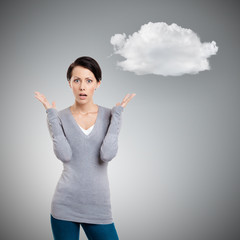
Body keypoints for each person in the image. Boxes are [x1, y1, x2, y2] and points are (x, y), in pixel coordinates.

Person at [34, 56, 136, 240]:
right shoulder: (59, 117)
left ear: (97, 83)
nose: (82, 87)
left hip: (99, 208)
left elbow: (107, 154)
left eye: (89, 80)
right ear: (70, 83)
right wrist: (51, 115)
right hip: (64, 206)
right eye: (77, 80)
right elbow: (64, 155)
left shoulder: (110, 115)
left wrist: (118, 115)